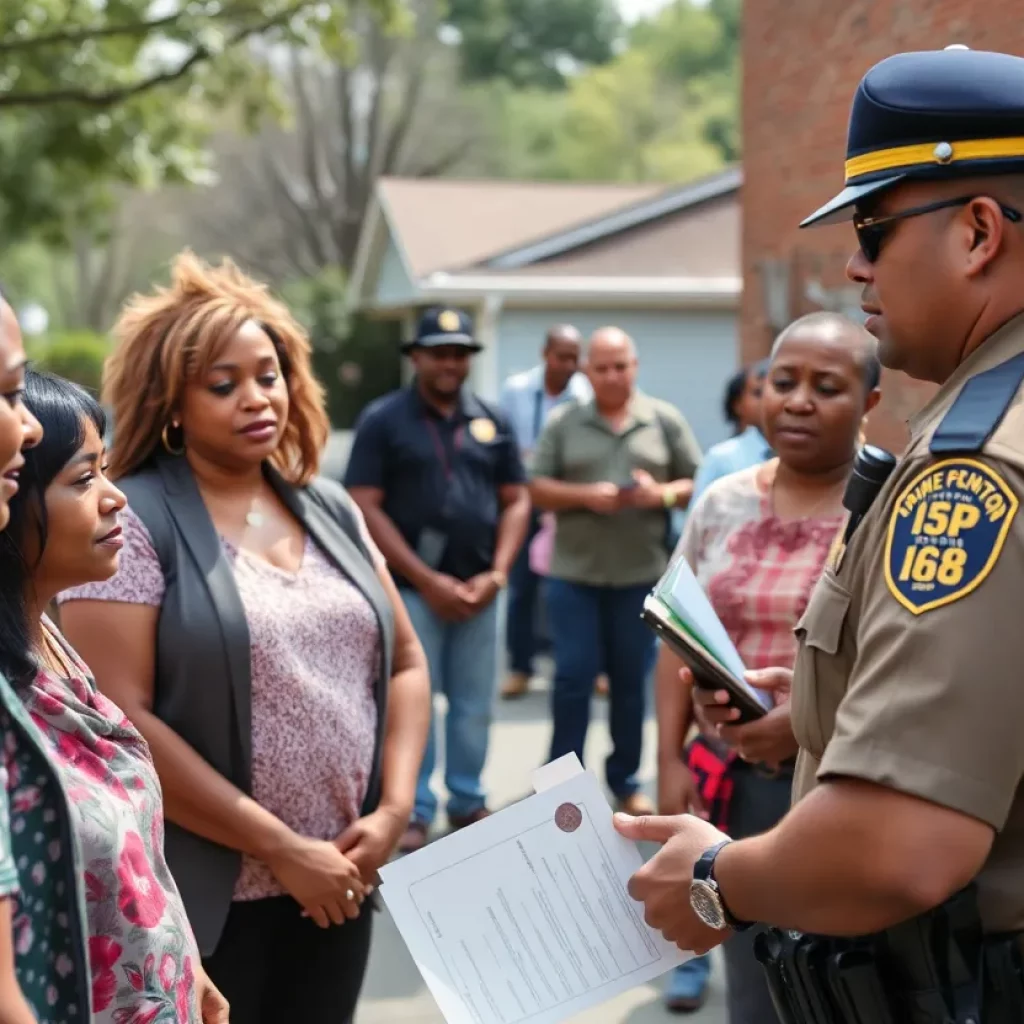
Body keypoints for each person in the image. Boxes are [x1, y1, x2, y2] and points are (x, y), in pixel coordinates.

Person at [615, 46, 1024, 1022]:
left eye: (873, 229)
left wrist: (715, 877)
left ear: (977, 232)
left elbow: (899, 845)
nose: (853, 265)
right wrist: (810, 714)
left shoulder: (980, 469)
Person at [58, 252, 431, 1023]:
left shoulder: (331, 509)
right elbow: (121, 720)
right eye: (223, 385)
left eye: (269, 375)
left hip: (340, 877)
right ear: (171, 405)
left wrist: (395, 810)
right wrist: (282, 849)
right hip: (209, 898)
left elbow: (406, 663)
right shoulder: (134, 521)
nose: (258, 397)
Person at [657, 314, 880, 1018]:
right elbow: (676, 633)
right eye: (783, 383)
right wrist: (669, 758)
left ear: (870, 401)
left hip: (846, 791)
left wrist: (806, 722)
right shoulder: (722, 502)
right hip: (734, 787)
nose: (798, 401)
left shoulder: (888, 511)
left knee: (846, 984)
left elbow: (915, 664)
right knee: (754, 985)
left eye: (827, 387)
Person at [0, 369, 230, 1024]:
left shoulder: (51, 641)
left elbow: (130, 859)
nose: (115, 498)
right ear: (11, 492)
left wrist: (186, 969)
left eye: (105, 471)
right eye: (82, 479)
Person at [345, 308, 530, 853]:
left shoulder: (492, 420)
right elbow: (363, 503)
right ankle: (415, 806)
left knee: (474, 704)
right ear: (417, 357)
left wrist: (498, 574)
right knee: (414, 701)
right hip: (411, 593)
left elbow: (517, 499)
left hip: (479, 592)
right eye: (438, 353)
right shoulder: (384, 420)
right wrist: (425, 578)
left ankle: (467, 798)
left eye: (459, 353)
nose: (449, 363)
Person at [530, 327, 702, 816]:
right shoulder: (565, 421)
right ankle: (561, 780)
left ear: (635, 366)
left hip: (639, 577)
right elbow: (536, 487)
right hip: (574, 576)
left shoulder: (662, 420)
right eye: (601, 368)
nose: (611, 376)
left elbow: (697, 481)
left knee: (630, 683)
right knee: (573, 677)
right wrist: (586, 496)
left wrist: (659, 495)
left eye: (620, 366)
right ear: (587, 371)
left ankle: (625, 780)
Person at [499, 325, 591, 699]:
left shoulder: (585, 395)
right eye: (561, 357)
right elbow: (505, 445)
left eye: (574, 358)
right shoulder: (517, 390)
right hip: (526, 499)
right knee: (521, 587)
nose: (568, 365)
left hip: (567, 501)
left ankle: (587, 667)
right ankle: (520, 667)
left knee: (575, 585)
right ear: (545, 354)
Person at [687, 362, 773, 512]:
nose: (768, 400)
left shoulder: (802, 455)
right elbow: (698, 516)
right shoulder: (722, 458)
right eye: (758, 393)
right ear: (737, 404)